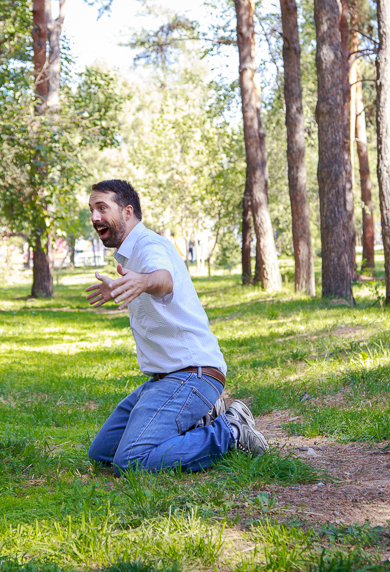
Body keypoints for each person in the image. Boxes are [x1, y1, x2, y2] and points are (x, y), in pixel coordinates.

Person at [84, 179, 267, 474]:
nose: (94, 217)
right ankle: (203, 419)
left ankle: (230, 432)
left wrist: (143, 281)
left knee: (130, 461)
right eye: (92, 209)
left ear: (127, 212)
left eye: (102, 208)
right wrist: (121, 287)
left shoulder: (149, 245)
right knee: (102, 453)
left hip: (192, 374)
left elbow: (163, 279)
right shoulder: (132, 252)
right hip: (165, 380)